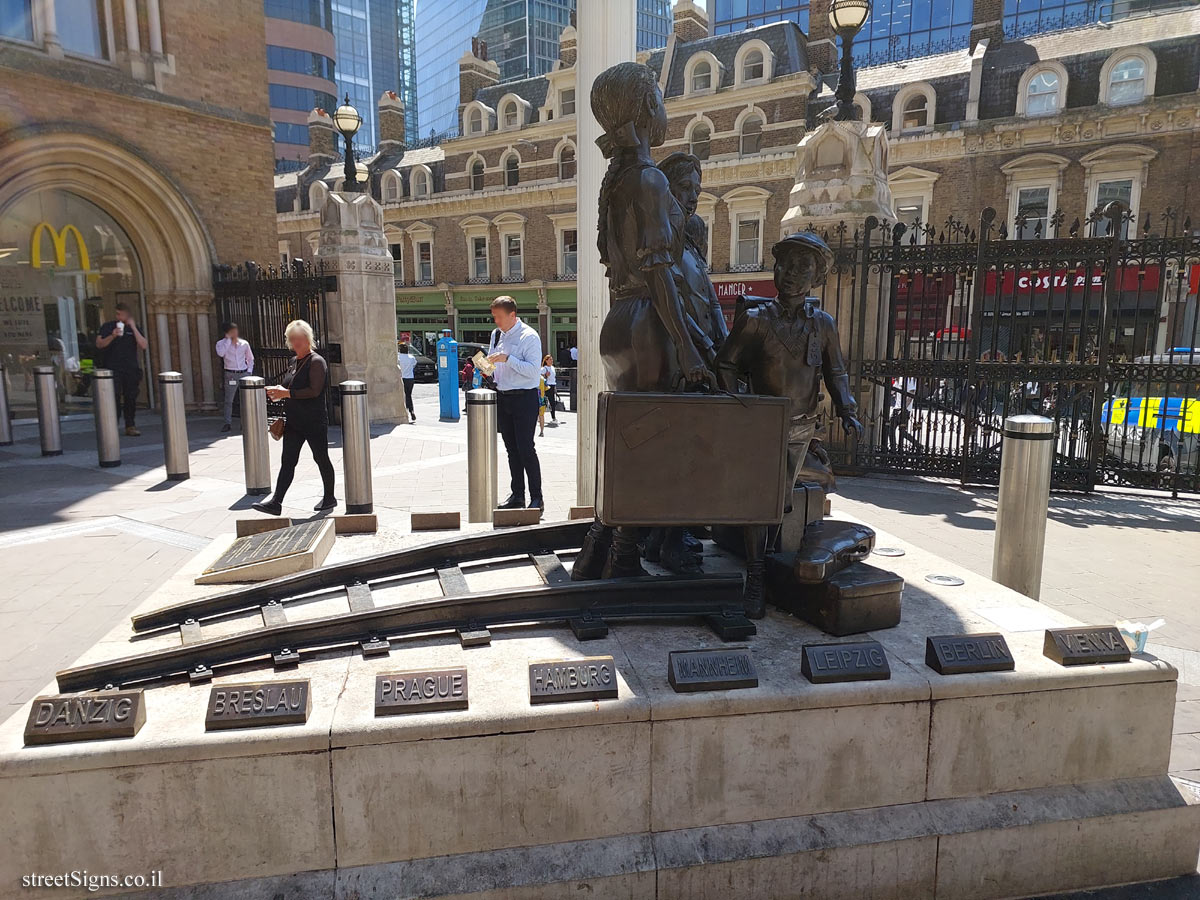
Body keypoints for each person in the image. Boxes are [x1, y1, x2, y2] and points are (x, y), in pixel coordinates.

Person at [714, 232, 863, 615]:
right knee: (760, 499)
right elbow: (726, 363)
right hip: (762, 426)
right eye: (786, 264)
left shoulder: (823, 324)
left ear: (816, 276)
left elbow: (837, 371)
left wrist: (847, 409)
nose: (792, 274)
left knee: (779, 501)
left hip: (801, 427)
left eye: (803, 268)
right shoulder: (756, 320)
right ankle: (757, 571)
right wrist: (740, 405)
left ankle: (767, 562)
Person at [252, 320, 336, 515]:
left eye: (299, 339)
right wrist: (277, 393)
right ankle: (276, 502)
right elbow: (290, 388)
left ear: (308, 339)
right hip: (294, 421)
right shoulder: (293, 362)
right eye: (292, 339)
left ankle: (330, 497)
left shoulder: (316, 361)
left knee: (321, 457)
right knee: (288, 461)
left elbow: (314, 391)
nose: (296, 343)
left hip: (313, 421)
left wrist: (286, 394)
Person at [486, 295, 544, 510]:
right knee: (511, 449)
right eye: (494, 317)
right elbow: (493, 366)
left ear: (513, 315)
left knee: (526, 448)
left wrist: (507, 359)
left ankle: (537, 497)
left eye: (499, 317)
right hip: (503, 396)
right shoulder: (496, 335)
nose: (496, 322)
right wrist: (484, 367)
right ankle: (517, 495)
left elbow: (532, 371)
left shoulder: (529, 336)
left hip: (524, 397)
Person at [94, 301, 148, 436]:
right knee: (114, 397)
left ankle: (130, 425)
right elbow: (99, 344)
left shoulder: (134, 328)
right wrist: (112, 335)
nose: (119, 317)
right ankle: (112, 425)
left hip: (131, 368)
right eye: (117, 314)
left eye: (122, 314)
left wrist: (134, 328)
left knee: (131, 397)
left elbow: (144, 345)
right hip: (113, 368)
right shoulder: (108, 326)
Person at [214, 322, 254, 432]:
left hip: (243, 373)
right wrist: (228, 340)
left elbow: (250, 358)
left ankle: (244, 422)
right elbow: (221, 353)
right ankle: (227, 422)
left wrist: (249, 372)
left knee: (245, 399)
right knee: (229, 400)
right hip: (230, 374)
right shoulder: (221, 344)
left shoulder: (244, 344)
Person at [397, 341, 417, 422]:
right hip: (410, 378)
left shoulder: (398, 357)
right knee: (409, 395)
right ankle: (411, 410)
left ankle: (406, 410)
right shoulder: (411, 357)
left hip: (402, 378)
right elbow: (414, 364)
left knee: (403, 395)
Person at [539, 355, 558, 425]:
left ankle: (553, 417)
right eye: (549, 359)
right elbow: (539, 376)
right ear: (546, 361)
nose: (551, 361)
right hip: (546, 386)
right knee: (546, 402)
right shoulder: (544, 368)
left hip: (552, 385)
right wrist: (545, 375)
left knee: (552, 402)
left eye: (552, 359)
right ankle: (549, 417)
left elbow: (554, 378)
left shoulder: (553, 368)